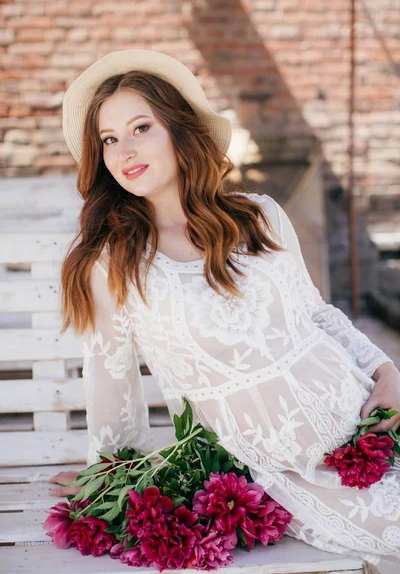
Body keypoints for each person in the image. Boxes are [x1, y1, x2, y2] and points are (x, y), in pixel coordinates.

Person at [49, 49, 400, 573]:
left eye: (141, 127)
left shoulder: (260, 215)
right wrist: (112, 477)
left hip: (370, 419)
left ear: (180, 130)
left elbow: (317, 315)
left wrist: (386, 372)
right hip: (291, 471)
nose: (125, 150)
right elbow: (111, 383)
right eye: (109, 139)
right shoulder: (115, 261)